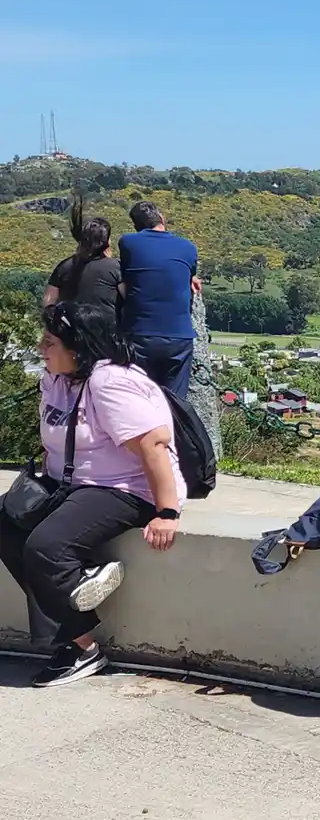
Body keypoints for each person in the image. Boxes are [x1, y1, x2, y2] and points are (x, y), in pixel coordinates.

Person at [0, 302, 186, 687]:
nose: (40, 349)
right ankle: (80, 617)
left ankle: (79, 646)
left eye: (49, 342)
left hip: (125, 487)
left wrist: (167, 511)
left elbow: (154, 446)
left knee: (46, 547)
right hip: (72, 484)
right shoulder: (56, 378)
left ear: (78, 347)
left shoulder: (111, 382)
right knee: (5, 525)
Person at [117, 200, 200, 400]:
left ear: (136, 226)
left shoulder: (128, 243)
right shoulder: (188, 247)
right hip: (179, 337)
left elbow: (127, 275)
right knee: (175, 403)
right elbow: (189, 276)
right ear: (162, 218)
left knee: (140, 402)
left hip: (140, 335)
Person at [44, 205, 120, 314]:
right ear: (106, 242)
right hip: (106, 328)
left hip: (71, 328)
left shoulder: (64, 266)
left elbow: (49, 300)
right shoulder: (115, 267)